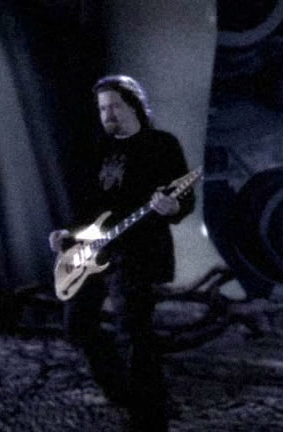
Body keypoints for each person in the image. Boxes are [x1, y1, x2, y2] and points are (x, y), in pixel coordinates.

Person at [49, 75, 195, 431]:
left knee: (133, 333)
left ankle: (149, 420)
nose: (108, 114)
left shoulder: (161, 144)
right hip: (96, 249)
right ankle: (123, 393)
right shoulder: (100, 149)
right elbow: (89, 205)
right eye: (102, 109)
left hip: (139, 251)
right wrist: (68, 233)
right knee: (77, 325)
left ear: (135, 105)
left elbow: (185, 198)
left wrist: (172, 207)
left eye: (114, 105)